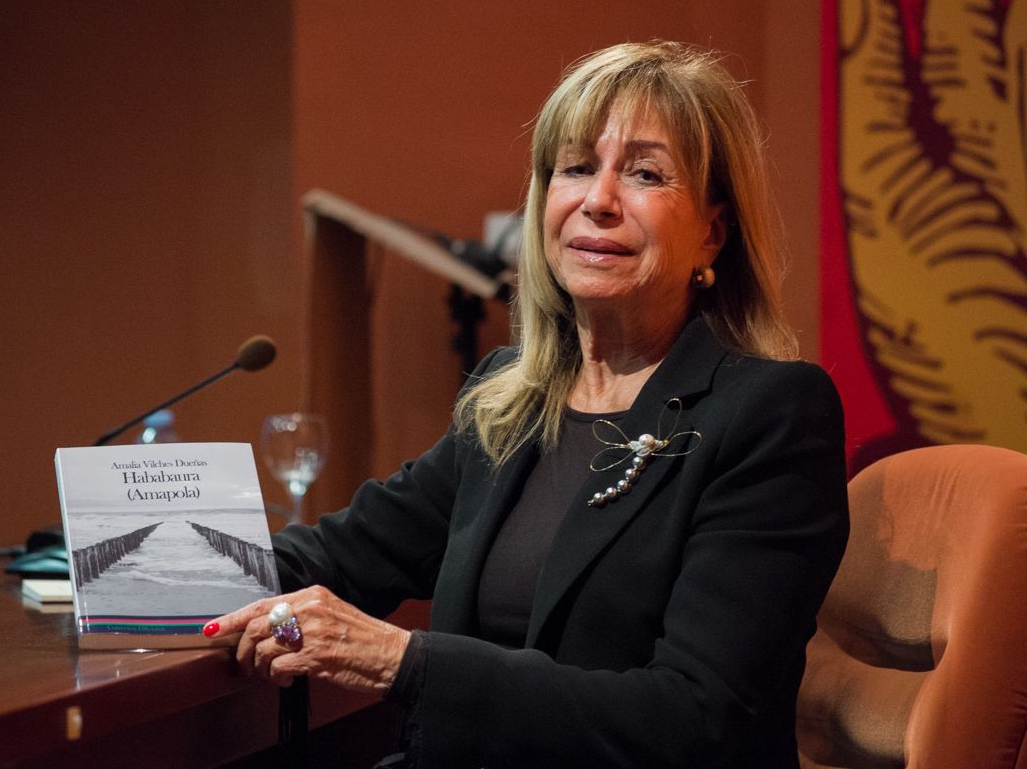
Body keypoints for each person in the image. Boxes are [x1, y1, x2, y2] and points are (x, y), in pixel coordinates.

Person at [203, 40, 848, 769]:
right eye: (575, 167)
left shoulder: (769, 415)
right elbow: (344, 554)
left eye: (644, 174)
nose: (598, 201)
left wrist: (403, 662)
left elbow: (696, 718)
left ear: (713, 231)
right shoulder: (510, 400)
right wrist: (134, 564)